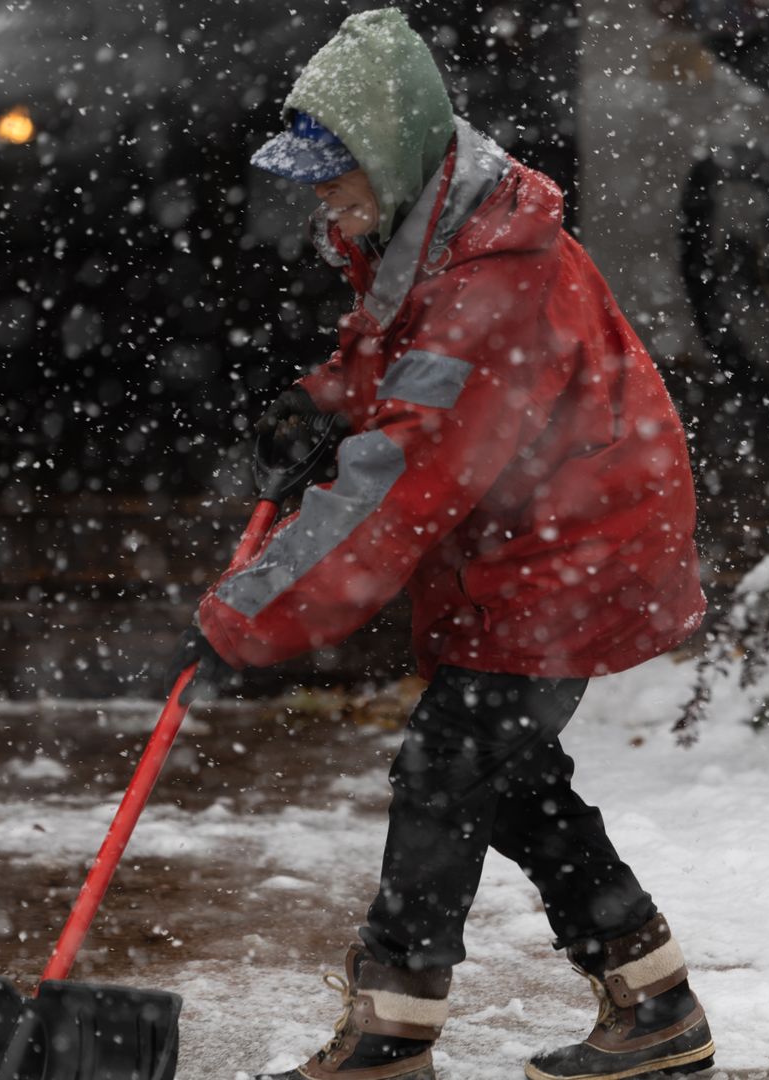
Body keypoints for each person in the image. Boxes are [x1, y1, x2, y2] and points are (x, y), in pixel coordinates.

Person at [174, 9, 713, 1080]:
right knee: (503, 774)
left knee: (446, 766)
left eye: (334, 175)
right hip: (527, 541)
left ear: (390, 151)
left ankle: (392, 1034)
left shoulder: (488, 276)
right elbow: (397, 370)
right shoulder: (435, 232)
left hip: (573, 549)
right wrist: (318, 403)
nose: (320, 199)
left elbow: (402, 482)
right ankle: (654, 1005)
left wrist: (249, 615)